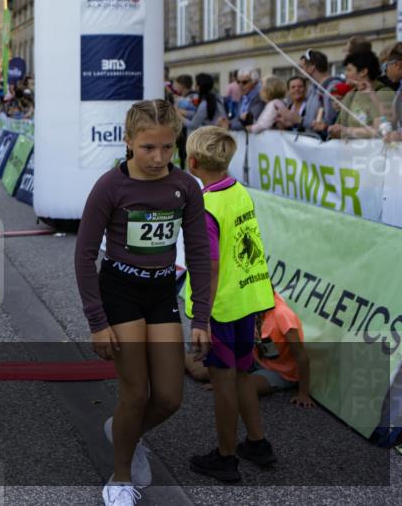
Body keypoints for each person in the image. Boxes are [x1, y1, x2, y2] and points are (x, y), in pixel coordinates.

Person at [74, 99, 212, 506]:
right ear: (129, 141)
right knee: (135, 394)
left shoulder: (185, 186)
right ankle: (119, 478)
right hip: (120, 291)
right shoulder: (110, 186)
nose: (158, 158)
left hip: (161, 292)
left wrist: (201, 317)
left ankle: (124, 431)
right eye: (148, 147)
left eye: (168, 147)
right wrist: (97, 322)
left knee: (169, 398)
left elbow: (199, 253)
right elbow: (84, 255)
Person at [183, 126, 276, 483]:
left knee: (223, 383)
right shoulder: (239, 190)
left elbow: (210, 265)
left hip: (220, 308)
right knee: (242, 374)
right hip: (247, 300)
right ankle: (257, 442)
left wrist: (201, 318)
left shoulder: (205, 206)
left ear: (192, 162)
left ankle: (225, 457)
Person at [253, 291, 315, 407]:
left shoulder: (282, 314)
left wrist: (303, 393)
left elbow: (301, 355)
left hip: (279, 372)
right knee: (220, 374)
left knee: (241, 388)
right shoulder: (252, 307)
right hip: (257, 359)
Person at [328, 50, 396, 140]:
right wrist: (334, 131)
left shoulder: (383, 93)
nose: (345, 74)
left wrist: (348, 131)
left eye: (349, 70)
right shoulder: (350, 95)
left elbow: (382, 130)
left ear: (363, 72)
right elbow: (340, 127)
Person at [303, 50, 342, 138]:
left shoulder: (333, 87)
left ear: (312, 68)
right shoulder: (313, 88)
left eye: (303, 67)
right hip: (311, 141)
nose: (302, 71)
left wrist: (300, 120)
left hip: (325, 142)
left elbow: (329, 122)